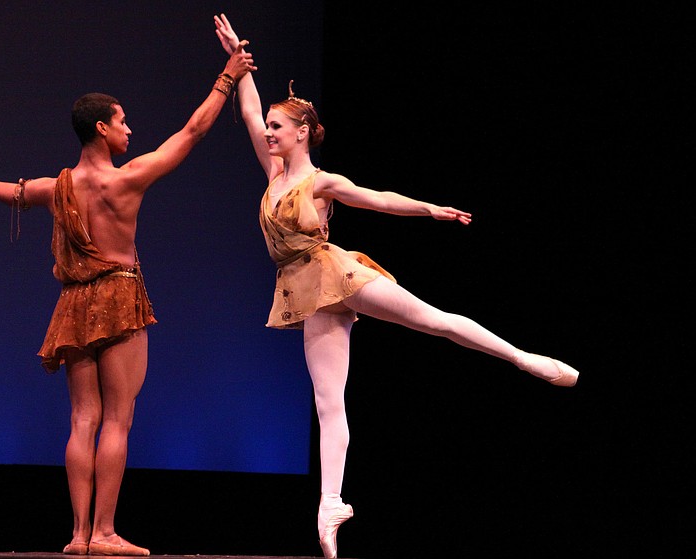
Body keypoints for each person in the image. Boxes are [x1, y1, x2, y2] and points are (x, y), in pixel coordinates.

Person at [214, 13, 579, 559]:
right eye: (268, 125)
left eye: (277, 126)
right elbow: (245, 107)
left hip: (339, 273)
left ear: (302, 133)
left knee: (432, 320)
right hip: (304, 291)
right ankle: (330, 504)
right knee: (327, 401)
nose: (267, 130)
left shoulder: (321, 183)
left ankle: (524, 358)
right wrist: (238, 58)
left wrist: (432, 209)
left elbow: (378, 198)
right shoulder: (272, 174)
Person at [0, 42, 256, 556]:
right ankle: (105, 533)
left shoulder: (56, 188)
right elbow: (194, 132)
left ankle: (76, 536)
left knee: (82, 419)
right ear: (101, 130)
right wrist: (227, 75)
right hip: (118, 295)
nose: (130, 130)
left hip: (72, 304)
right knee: (117, 418)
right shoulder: (128, 179)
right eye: (123, 121)